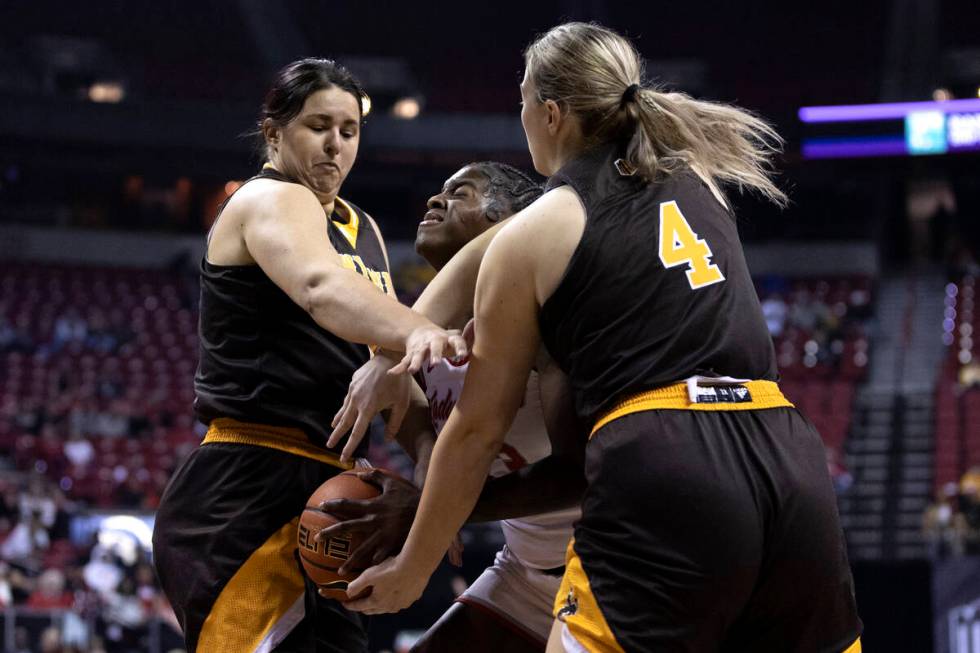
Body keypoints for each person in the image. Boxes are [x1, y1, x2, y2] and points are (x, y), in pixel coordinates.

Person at [343, 22, 863, 653]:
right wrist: (391, 348)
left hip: (667, 456)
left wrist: (413, 567)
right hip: (786, 455)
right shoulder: (697, 174)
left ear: (552, 114)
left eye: (524, 104)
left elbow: (477, 431)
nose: (522, 119)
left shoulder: (534, 234)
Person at [151, 58, 465, 653]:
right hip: (247, 486)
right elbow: (321, 289)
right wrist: (422, 329)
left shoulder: (363, 228)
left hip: (333, 494)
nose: (336, 144)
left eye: (349, 131)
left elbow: (389, 379)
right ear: (274, 132)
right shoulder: (267, 199)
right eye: (318, 126)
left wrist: (434, 478)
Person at [324, 162, 582, 652]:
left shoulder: (550, 321)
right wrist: (424, 448)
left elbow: (578, 473)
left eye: (459, 193)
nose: (434, 201)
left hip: (603, 563)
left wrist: (434, 510)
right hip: (525, 572)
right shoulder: (423, 322)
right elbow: (398, 395)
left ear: (510, 219)